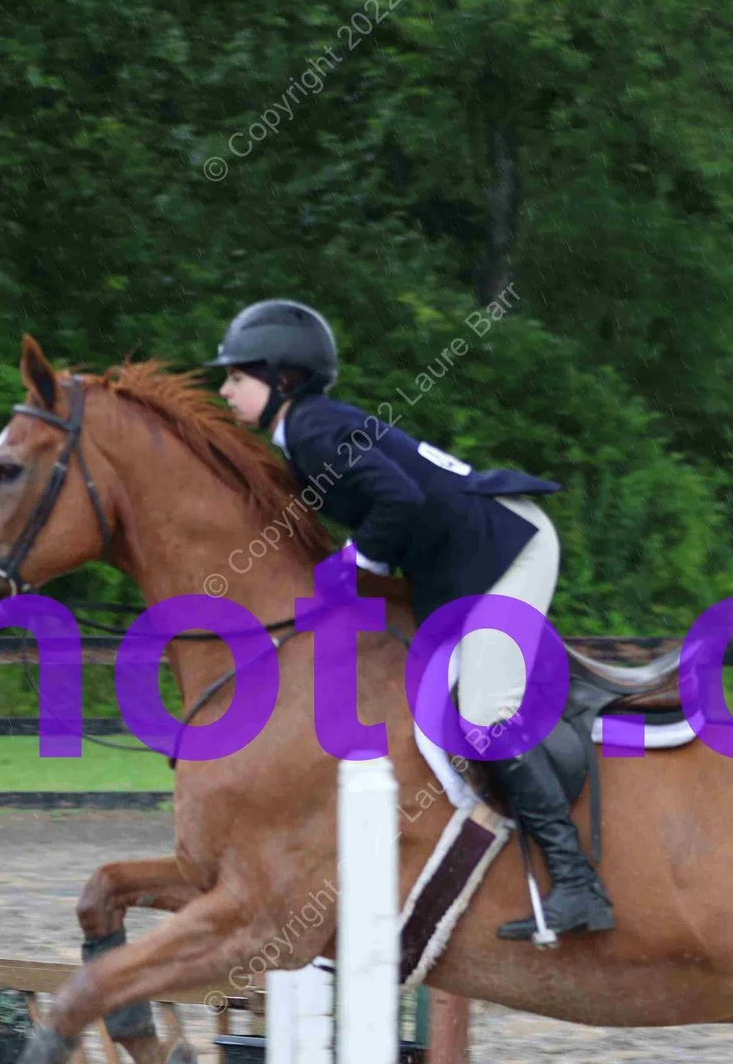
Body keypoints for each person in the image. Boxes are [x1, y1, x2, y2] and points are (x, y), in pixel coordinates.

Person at [208, 297, 612, 940]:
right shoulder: (304, 432)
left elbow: (398, 497)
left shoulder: (311, 430)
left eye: (237, 376)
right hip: (468, 561)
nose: (225, 390)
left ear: (283, 378)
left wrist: (353, 562)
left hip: (509, 550)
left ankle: (577, 884)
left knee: (483, 716)